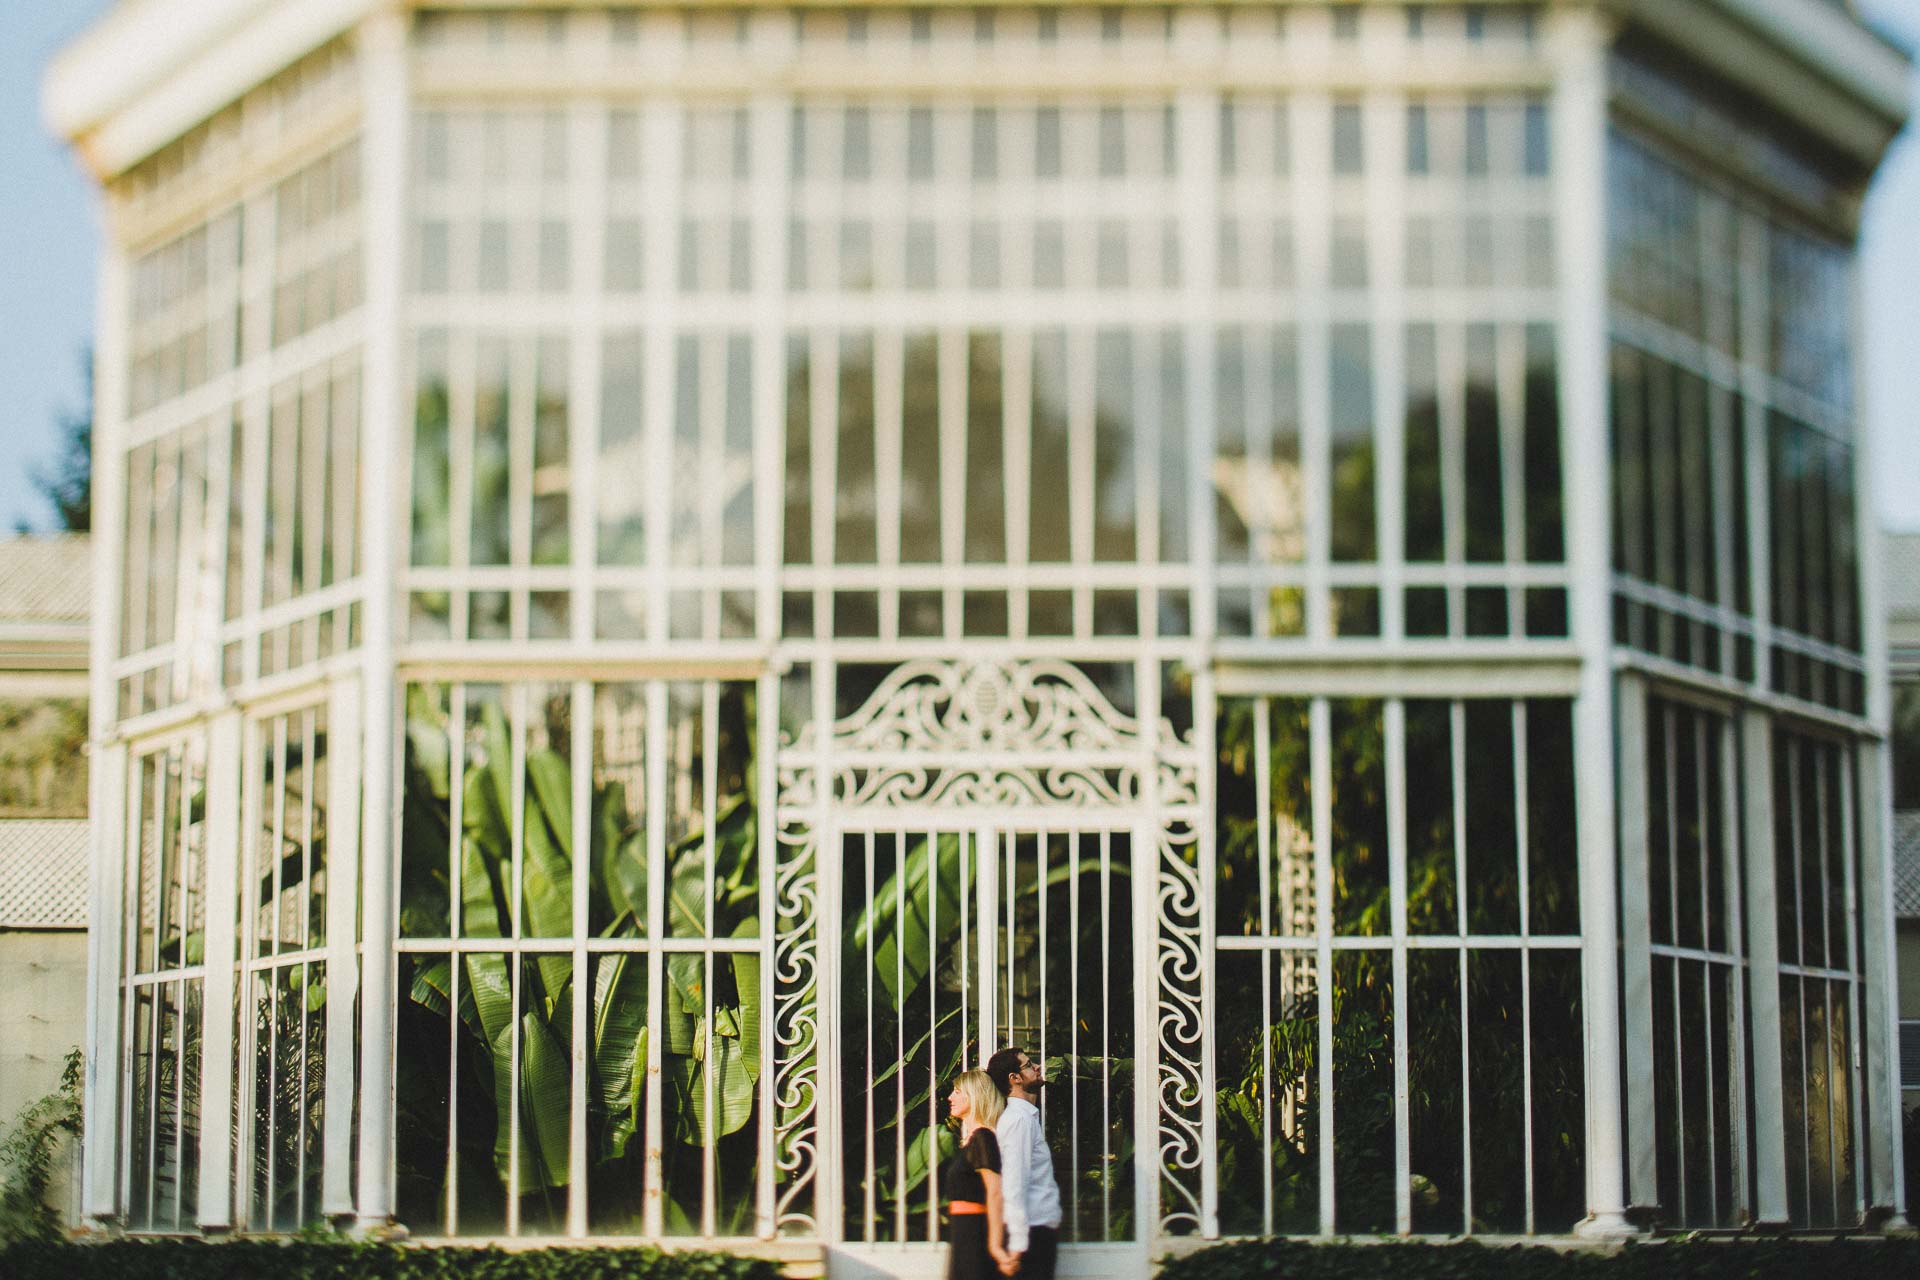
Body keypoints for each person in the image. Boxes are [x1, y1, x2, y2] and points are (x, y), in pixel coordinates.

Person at [986, 1046, 1062, 1280]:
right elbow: (1014, 1183)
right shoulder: (1018, 1121)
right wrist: (1018, 1244)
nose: (1037, 1067)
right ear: (1015, 1078)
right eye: (1029, 1065)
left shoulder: (1026, 1118)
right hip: (1032, 1235)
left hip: (1038, 1230)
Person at [942, 1069, 1017, 1280]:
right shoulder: (976, 1139)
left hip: (975, 1234)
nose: (950, 1097)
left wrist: (995, 1246)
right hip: (964, 1231)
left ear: (974, 1096)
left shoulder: (983, 1138)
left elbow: (996, 1193)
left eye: (957, 1091)